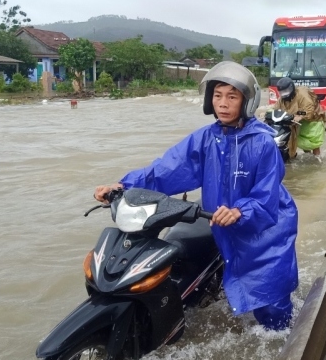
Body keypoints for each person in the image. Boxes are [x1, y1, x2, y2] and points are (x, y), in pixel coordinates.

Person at [94, 61, 299, 330]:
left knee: (272, 304)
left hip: (267, 231)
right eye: (217, 95)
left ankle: (286, 345)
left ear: (247, 101)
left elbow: (266, 194)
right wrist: (123, 185)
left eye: (232, 96)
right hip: (223, 223)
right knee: (238, 283)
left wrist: (241, 210)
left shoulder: (262, 143)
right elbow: (165, 169)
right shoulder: (205, 139)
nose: (223, 104)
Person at [275, 76, 326, 159]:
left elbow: (309, 110)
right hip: (298, 122)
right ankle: (308, 157)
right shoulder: (282, 99)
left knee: (314, 144)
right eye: (282, 92)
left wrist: (300, 116)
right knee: (302, 142)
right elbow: (276, 109)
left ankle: (317, 159)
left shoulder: (302, 95)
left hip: (314, 120)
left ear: (291, 88)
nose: (284, 94)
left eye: (286, 91)